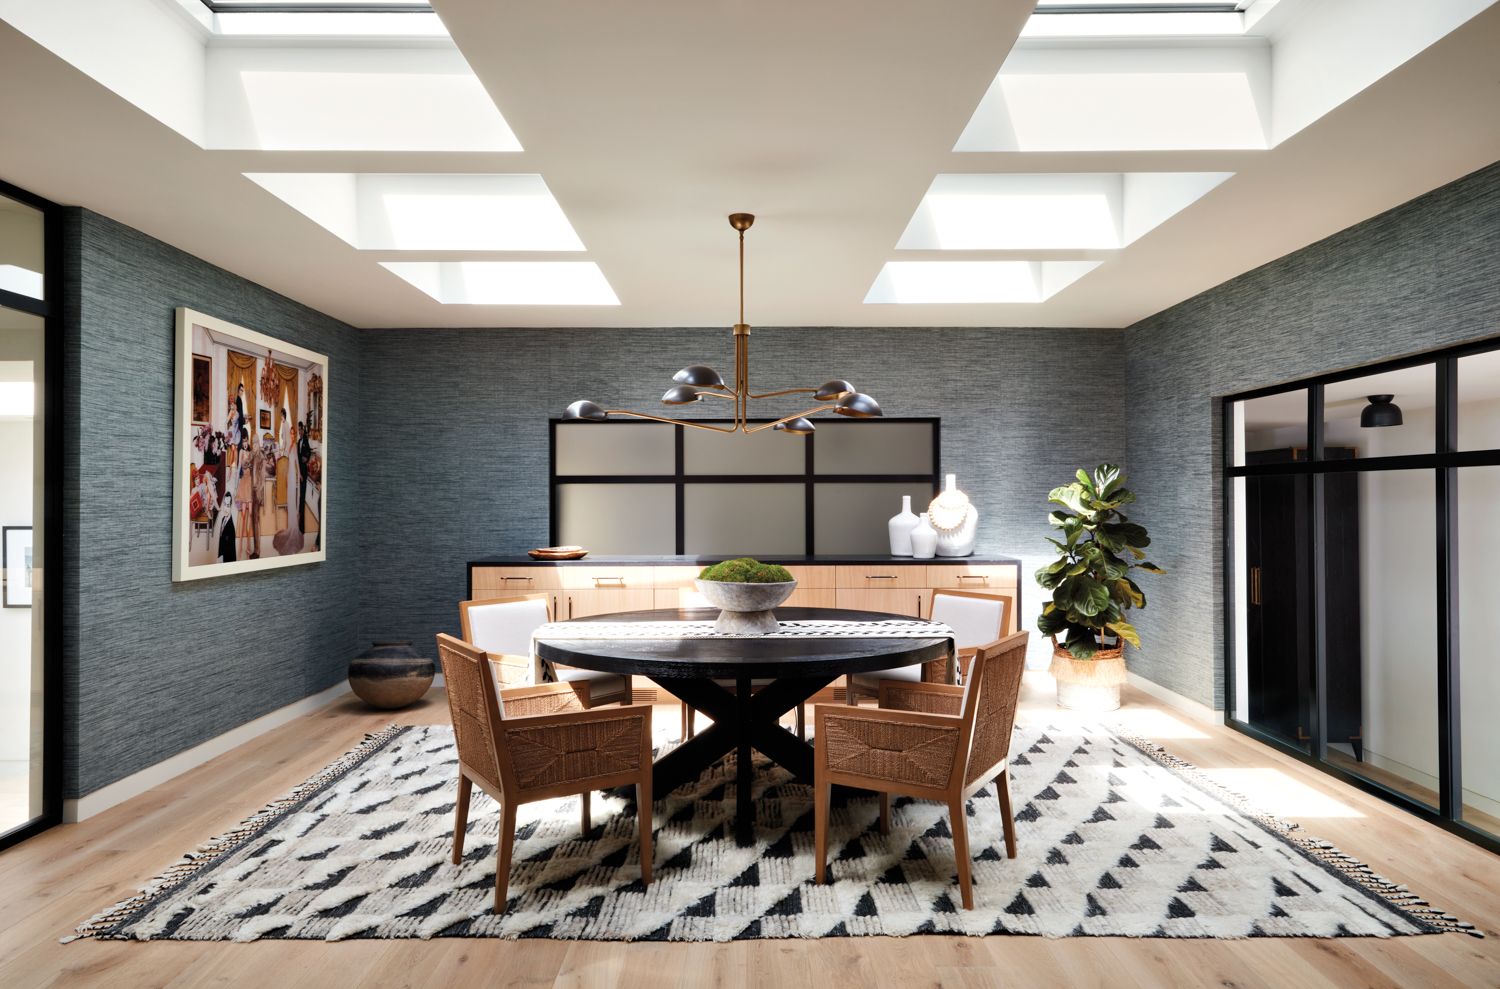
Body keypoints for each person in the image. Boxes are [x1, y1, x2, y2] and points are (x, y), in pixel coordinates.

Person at [247, 432, 268, 559]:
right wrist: (249, 457)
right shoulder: (252, 455)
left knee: (256, 520)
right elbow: (246, 464)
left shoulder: (261, 458)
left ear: (258, 444)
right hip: (251, 490)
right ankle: (256, 550)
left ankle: (257, 551)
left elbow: (263, 478)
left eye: (256, 443)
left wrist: (259, 492)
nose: (254, 445)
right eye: (253, 443)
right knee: (254, 520)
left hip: (257, 492)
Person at [297, 411, 313, 534]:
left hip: (304, 472)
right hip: (299, 473)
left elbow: (309, 452)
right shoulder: (298, 442)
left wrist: (306, 458)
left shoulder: (306, 440)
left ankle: (302, 528)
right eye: (298, 430)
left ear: (303, 429)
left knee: (302, 498)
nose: (299, 432)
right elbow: (297, 456)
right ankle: (299, 523)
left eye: (300, 430)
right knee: (300, 498)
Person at [213, 491, 236, 564]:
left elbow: (231, 551)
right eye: (225, 505)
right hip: (221, 558)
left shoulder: (231, 527)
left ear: (231, 507)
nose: (225, 509)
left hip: (227, 561)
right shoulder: (223, 519)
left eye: (228, 506)